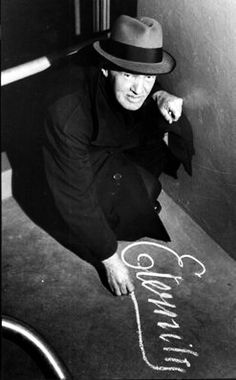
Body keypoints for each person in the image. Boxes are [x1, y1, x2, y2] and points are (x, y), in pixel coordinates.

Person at [43, 15, 194, 297]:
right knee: (116, 219)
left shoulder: (139, 85)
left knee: (149, 187)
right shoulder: (67, 112)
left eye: (149, 77)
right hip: (73, 160)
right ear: (105, 69)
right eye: (128, 75)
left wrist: (159, 96)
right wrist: (109, 259)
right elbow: (73, 196)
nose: (139, 88)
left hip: (107, 139)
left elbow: (141, 82)